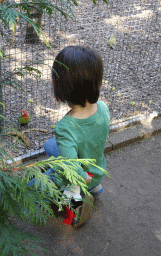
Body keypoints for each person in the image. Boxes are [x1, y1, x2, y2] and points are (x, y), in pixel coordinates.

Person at [28, 45, 110, 226]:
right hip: (97, 168)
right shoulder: (103, 108)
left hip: (79, 179)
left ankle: (75, 205)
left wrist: (77, 179)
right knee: (50, 145)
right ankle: (95, 186)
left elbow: (70, 170)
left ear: (62, 88)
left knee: (30, 187)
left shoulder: (65, 128)